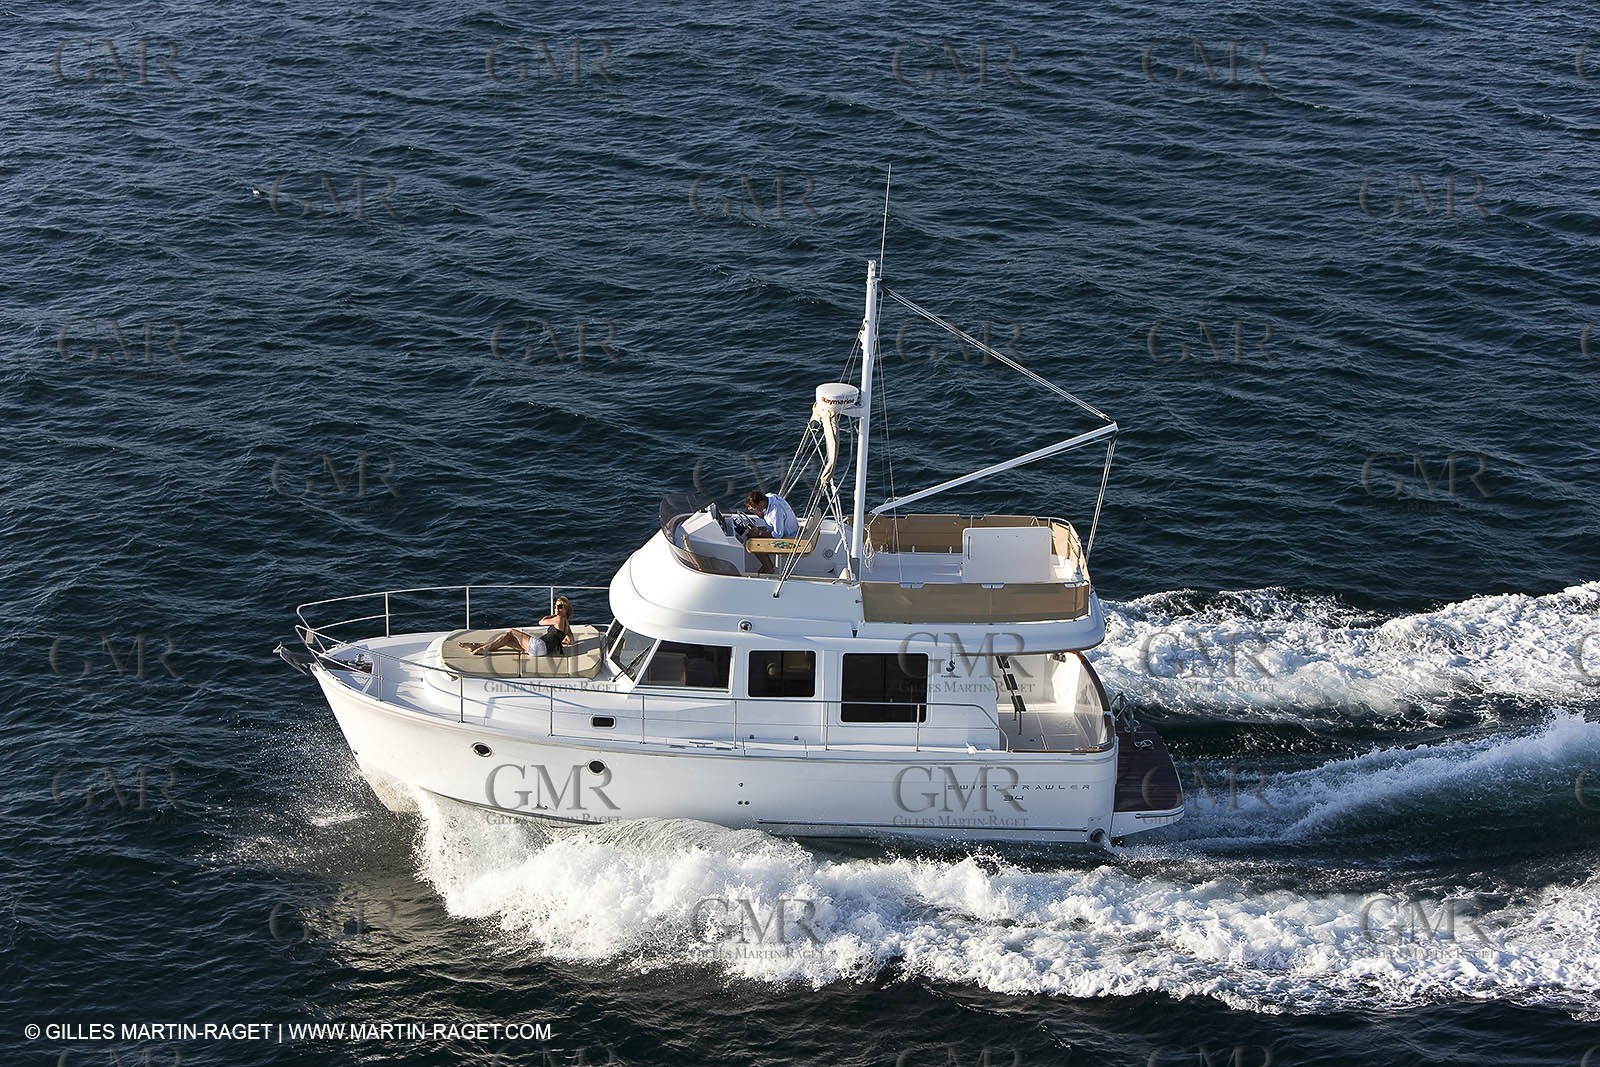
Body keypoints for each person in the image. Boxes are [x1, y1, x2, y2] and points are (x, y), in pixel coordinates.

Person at [460, 596, 573, 656]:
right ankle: (476, 646)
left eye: (559, 607)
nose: (556, 608)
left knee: (511, 632)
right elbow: (571, 640)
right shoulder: (566, 624)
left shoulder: (558, 618)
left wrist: (553, 614)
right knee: (506, 640)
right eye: (555, 606)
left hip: (539, 646)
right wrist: (558, 641)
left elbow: (541, 621)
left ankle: (483, 649)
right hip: (543, 650)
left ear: (565, 609)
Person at [743, 490, 799, 574]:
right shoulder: (769, 497)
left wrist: (759, 533)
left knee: (753, 542)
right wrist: (755, 511)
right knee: (754, 532)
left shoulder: (776, 512)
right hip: (781, 529)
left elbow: (777, 535)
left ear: (761, 503)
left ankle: (768, 567)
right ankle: (767, 563)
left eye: (755, 507)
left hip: (788, 537)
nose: (754, 509)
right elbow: (765, 515)